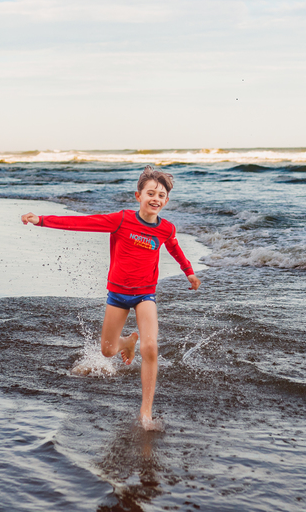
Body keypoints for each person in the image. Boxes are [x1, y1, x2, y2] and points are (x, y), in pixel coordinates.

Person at [21, 166, 200, 428]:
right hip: (117, 295)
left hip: (145, 296)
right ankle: (127, 342)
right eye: (151, 193)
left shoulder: (166, 229)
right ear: (138, 195)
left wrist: (189, 273)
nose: (156, 199)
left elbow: (174, 247)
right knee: (107, 351)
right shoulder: (121, 220)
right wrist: (43, 220)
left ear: (166, 201)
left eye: (161, 195)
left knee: (150, 347)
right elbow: (84, 223)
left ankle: (146, 413)